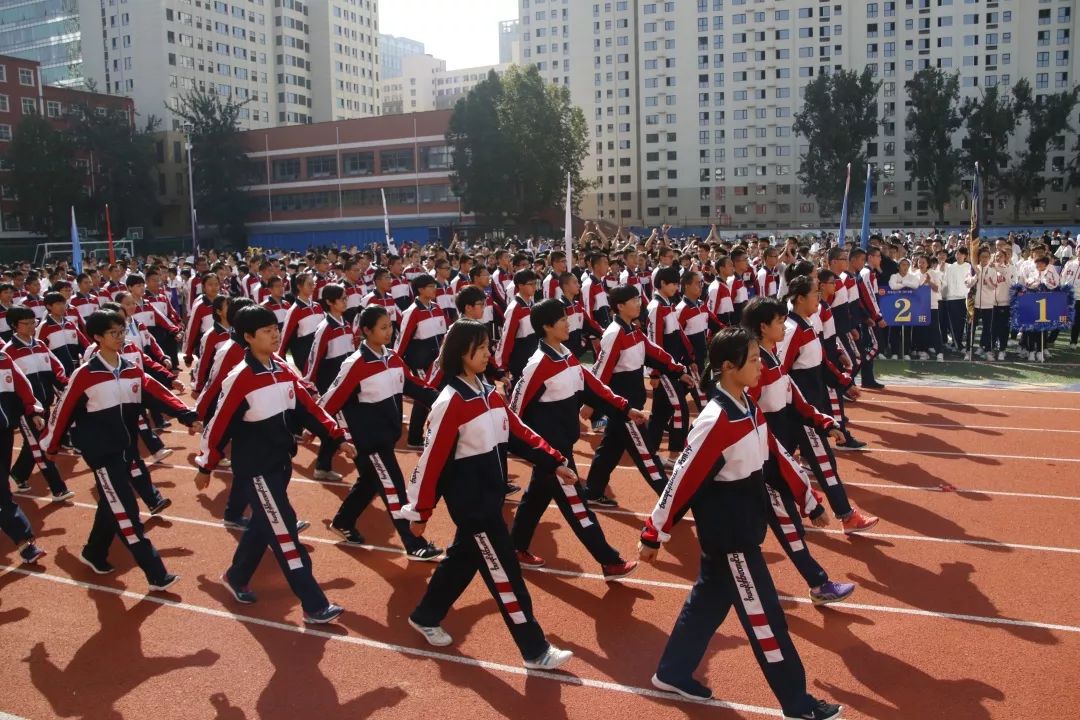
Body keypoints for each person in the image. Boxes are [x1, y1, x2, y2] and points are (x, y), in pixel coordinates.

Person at [639, 328, 843, 720]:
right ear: (728, 367)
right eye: (753, 359)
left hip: (744, 527)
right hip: (731, 537)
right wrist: (654, 532)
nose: (761, 365)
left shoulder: (748, 407)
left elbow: (775, 455)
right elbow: (682, 480)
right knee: (765, 616)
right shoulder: (715, 421)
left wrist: (807, 498)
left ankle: (673, 671)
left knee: (708, 601)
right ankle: (797, 703)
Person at [401, 320, 574, 670]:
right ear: (461, 353)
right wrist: (419, 513)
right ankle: (535, 650)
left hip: (489, 500)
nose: (487, 355)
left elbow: (517, 432)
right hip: (473, 507)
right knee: (506, 575)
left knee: (464, 560)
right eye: (481, 349)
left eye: (488, 347)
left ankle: (425, 615)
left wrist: (554, 460)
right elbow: (431, 461)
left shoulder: (486, 391)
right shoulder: (450, 402)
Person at [195, 305, 356, 623]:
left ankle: (236, 576)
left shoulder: (281, 368)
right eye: (266, 330)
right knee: (284, 530)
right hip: (256, 468)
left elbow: (308, 406)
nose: (274, 334)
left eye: (275, 328)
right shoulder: (240, 378)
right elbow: (219, 423)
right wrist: (206, 464)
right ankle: (314, 605)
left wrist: (336, 436)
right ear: (248, 337)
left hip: (280, 462)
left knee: (262, 525)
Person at [43, 309, 201, 591]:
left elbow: (157, 392)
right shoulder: (85, 375)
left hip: (127, 448)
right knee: (126, 510)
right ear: (97, 338)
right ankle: (156, 573)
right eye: (113, 333)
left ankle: (93, 552)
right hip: (102, 454)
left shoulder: (130, 368)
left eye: (122, 332)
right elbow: (62, 411)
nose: (120, 338)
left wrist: (186, 413)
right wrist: (51, 446)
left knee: (110, 503)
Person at [508, 299, 641, 580]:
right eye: (562, 320)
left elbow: (593, 386)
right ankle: (610, 561)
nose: (569, 324)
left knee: (536, 497)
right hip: (552, 453)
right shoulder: (537, 365)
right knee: (578, 506)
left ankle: (514, 547)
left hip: (563, 446)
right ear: (546, 326)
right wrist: (534, 451)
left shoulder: (565, 354)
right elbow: (514, 413)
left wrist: (625, 408)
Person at [742, 297, 857, 605]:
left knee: (757, 525)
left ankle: (735, 577)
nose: (784, 326)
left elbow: (794, 398)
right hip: (763, 456)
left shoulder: (773, 357)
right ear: (763, 326)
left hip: (773, 450)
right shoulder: (756, 365)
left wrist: (824, 421)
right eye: (779, 321)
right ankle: (818, 583)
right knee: (785, 521)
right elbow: (748, 413)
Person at [318, 305, 442, 561]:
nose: (389, 332)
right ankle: (412, 542)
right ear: (366, 331)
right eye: (383, 327)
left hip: (388, 436)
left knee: (369, 483)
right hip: (369, 442)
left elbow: (414, 386)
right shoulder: (356, 364)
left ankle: (342, 521)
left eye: (390, 326)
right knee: (393, 487)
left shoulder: (393, 358)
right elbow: (330, 401)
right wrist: (333, 433)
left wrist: (443, 400)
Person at [779, 276, 879, 534]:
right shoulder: (791, 330)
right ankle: (847, 515)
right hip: (803, 413)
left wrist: (845, 383)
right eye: (815, 293)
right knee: (824, 463)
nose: (820, 297)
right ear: (800, 298)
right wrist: (796, 410)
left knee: (779, 464)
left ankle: (771, 508)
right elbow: (781, 374)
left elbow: (821, 364)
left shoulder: (808, 324)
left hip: (812, 409)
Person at [585, 285, 690, 506]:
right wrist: (591, 403)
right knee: (647, 455)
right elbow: (601, 370)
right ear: (620, 306)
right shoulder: (614, 334)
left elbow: (655, 353)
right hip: (624, 405)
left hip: (632, 401)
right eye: (633, 300)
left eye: (637, 298)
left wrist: (678, 371)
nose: (638, 302)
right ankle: (670, 500)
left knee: (610, 449)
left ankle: (592, 492)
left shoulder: (634, 330)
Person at [3, 306, 72, 500]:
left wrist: (66, 387)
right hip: (26, 409)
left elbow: (56, 368)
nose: (32, 326)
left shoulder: (40, 345)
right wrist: (29, 408)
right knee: (41, 445)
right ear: (14, 326)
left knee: (32, 443)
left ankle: (18, 473)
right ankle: (58, 488)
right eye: (27, 323)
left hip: (45, 404)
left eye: (34, 321)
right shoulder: (9, 352)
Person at [0, 349, 48, 564]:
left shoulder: (2, 357)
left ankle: (23, 540)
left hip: (4, 429)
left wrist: (31, 409)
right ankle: (23, 541)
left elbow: (20, 383)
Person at [395, 273, 448, 449]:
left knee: (439, 395)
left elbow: (443, 334)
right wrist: (397, 362)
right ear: (420, 290)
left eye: (435, 286)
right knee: (423, 397)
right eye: (431, 286)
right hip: (419, 362)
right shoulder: (412, 312)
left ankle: (435, 432)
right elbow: (402, 341)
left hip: (438, 361)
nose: (435, 289)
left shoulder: (437, 308)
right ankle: (414, 437)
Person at [278, 272, 324, 374]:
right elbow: (286, 335)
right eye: (309, 284)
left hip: (320, 352)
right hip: (305, 354)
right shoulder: (295, 310)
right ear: (299, 286)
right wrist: (280, 357)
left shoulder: (317, 306)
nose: (313, 287)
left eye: (313, 284)